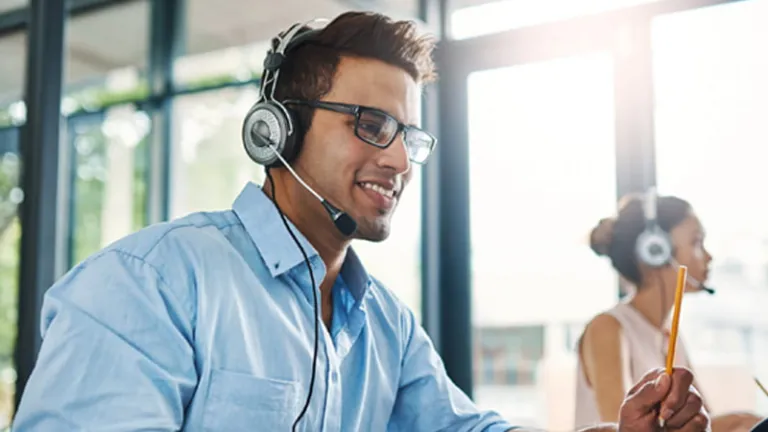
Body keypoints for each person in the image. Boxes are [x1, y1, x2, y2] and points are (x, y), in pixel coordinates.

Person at [13, 12, 708, 432]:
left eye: (409, 134)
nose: (402, 158)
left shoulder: (384, 325)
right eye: (372, 125)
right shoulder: (151, 283)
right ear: (276, 134)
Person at [577, 191, 761, 432]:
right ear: (656, 251)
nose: (708, 256)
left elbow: (701, 420)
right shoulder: (607, 327)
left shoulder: (668, 335)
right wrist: (739, 421)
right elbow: (621, 425)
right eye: (696, 242)